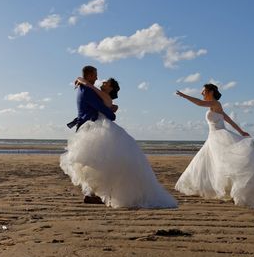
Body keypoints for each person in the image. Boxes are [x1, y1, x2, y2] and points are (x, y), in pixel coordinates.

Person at [60, 67, 177, 208]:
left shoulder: (90, 89)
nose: (99, 80)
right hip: (93, 128)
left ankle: (93, 194)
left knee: (100, 163)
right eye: (96, 76)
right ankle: (92, 194)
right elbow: (108, 113)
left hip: (96, 127)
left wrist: (84, 82)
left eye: (105, 82)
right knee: (96, 163)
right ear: (90, 75)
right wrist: (110, 109)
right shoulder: (88, 90)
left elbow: (106, 108)